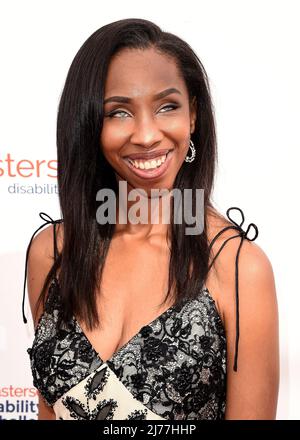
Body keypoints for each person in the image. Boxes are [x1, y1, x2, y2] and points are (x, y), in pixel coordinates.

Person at [22, 18, 279, 420]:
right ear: (90, 124)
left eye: (167, 107)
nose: (146, 135)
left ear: (192, 116)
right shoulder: (52, 252)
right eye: (119, 112)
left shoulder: (239, 268)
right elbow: (49, 411)